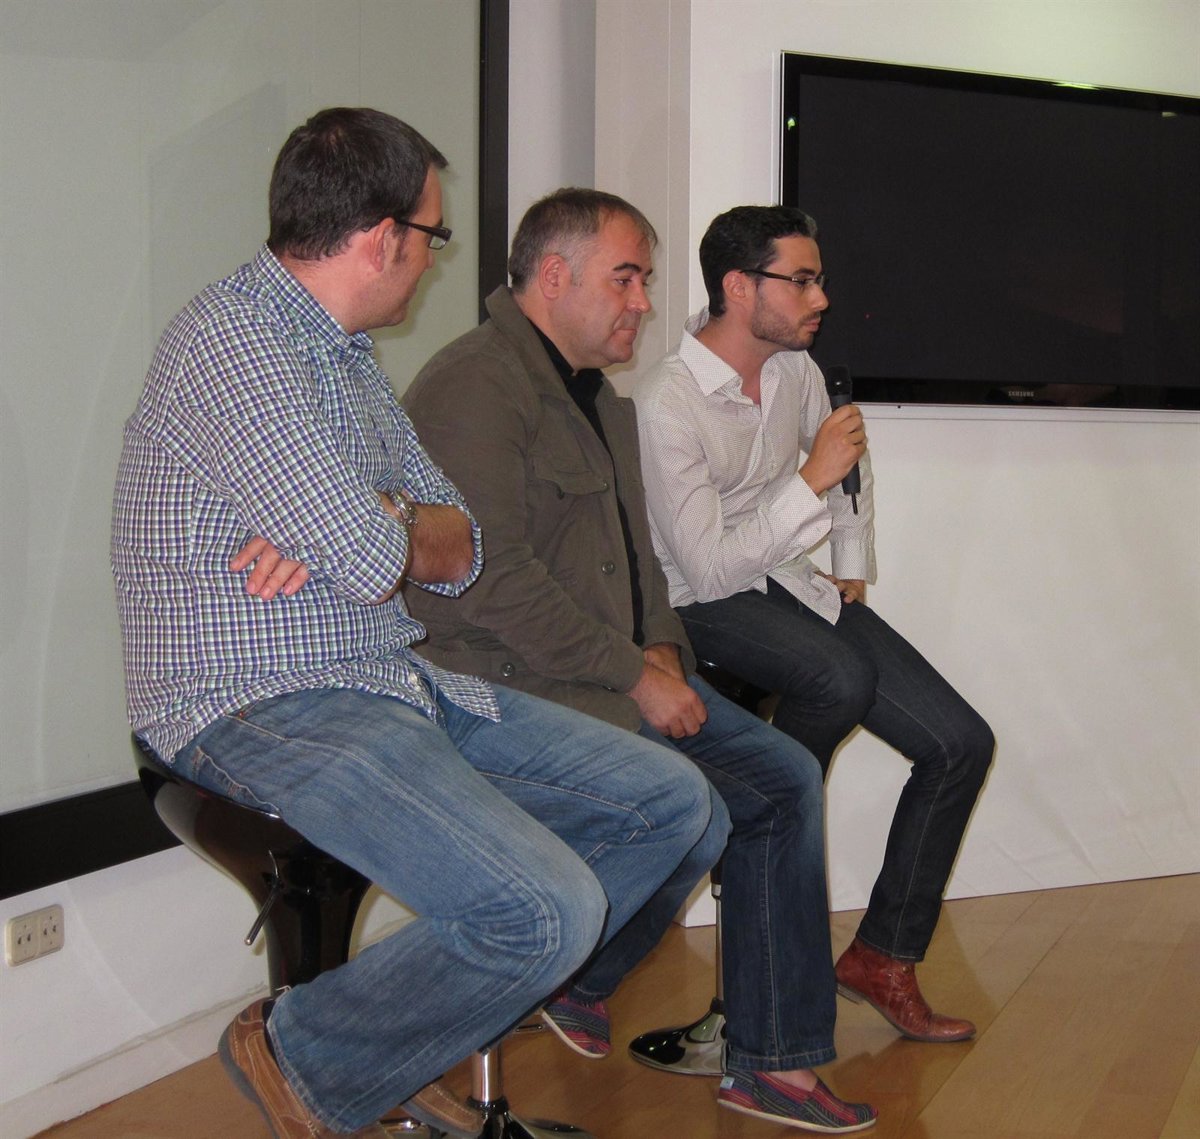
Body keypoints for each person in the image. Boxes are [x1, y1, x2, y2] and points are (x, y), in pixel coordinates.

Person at [111, 110, 724, 1139]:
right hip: (257, 703)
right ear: (381, 236)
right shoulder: (233, 343)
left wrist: (376, 515)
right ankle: (306, 1051)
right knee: (547, 907)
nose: (434, 258)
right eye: (433, 235)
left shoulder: (346, 356)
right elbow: (373, 557)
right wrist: (376, 529)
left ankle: (384, 1041)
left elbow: (458, 539)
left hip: (391, 677)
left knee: (674, 804)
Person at [402, 188, 877, 1134]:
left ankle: (770, 1061)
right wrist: (635, 677)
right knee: (690, 803)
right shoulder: (474, 387)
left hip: (605, 670)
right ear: (553, 277)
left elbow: (645, 563)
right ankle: (562, 972)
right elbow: (490, 583)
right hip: (504, 684)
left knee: (783, 777)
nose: (644, 303)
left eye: (645, 281)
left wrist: (661, 648)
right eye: (626, 279)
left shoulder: (603, 402)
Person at [633, 203, 996, 1045]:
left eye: (819, 279)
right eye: (801, 280)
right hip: (699, 603)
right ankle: (762, 809)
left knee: (960, 743)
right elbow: (709, 568)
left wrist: (850, 555)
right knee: (839, 677)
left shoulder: (793, 368)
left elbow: (846, 460)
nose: (821, 298)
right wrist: (809, 483)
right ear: (737, 287)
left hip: (788, 582)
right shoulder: (667, 401)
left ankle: (882, 956)